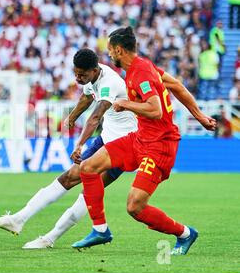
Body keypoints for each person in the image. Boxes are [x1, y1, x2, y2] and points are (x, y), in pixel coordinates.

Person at [0, 48, 216, 249]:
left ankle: (50, 237)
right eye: (75, 74)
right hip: (107, 139)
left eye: (82, 75)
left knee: (85, 192)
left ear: (95, 70)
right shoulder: (94, 76)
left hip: (127, 142)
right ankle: (22, 220)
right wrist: (73, 116)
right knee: (71, 179)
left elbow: (97, 116)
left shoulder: (112, 82)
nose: (78, 78)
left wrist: (79, 143)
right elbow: (87, 98)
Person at [72, 27, 216, 255]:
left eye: (110, 50)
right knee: (88, 168)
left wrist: (125, 104)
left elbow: (155, 110)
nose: (109, 54)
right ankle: (100, 229)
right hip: (139, 138)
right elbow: (177, 86)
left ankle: (185, 234)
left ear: (119, 49)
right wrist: (200, 117)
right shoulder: (143, 68)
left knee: (134, 207)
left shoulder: (141, 73)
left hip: (160, 146)